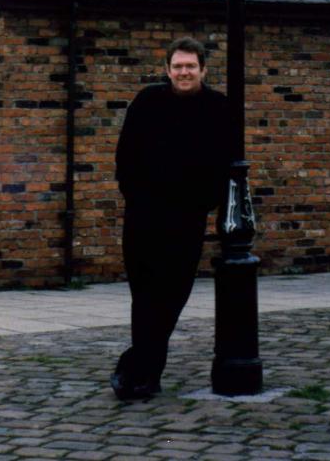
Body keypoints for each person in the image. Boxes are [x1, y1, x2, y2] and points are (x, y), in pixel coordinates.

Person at [112, 37, 231, 401]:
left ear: (203, 70)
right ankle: (145, 375)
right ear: (167, 70)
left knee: (171, 295)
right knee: (144, 296)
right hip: (144, 217)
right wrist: (137, 197)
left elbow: (225, 163)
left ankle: (136, 366)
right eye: (177, 66)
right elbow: (125, 156)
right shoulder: (147, 102)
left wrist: (202, 202)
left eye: (190, 66)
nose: (183, 72)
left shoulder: (218, 108)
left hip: (185, 218)